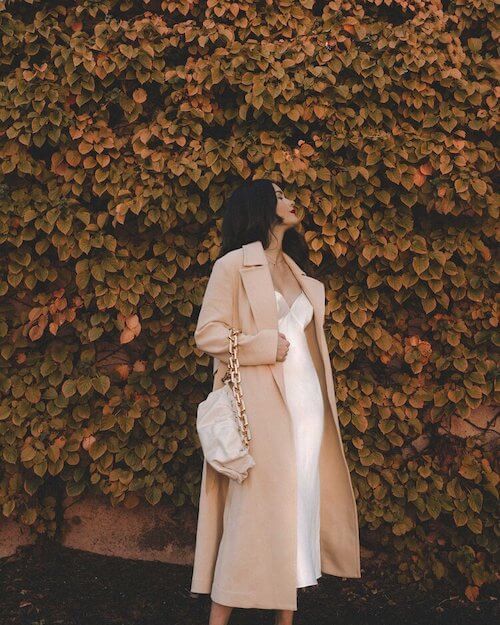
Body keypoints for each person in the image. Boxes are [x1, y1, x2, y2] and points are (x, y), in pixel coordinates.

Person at [190, 178, 361, 625]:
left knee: (298, 505)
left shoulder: (298, 271)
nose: (290, 200)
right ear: (261, 208)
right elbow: (207, 333)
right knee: (252, 513)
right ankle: (219, 617)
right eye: (280, 195)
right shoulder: (232, 266)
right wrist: (262, 346)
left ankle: (286, 619)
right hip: (261, 405)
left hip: (307, 405)